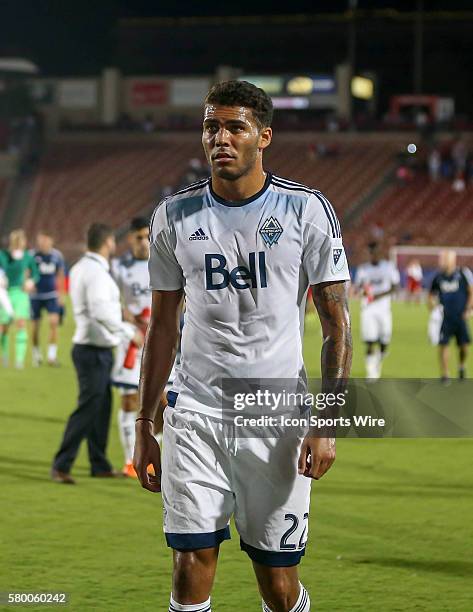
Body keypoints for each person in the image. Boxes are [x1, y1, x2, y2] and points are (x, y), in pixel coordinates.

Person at [134, 80, 352, 612]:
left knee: (277, 582)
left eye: (236, 127)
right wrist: (144, 427)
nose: (221, 138)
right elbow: (162, 328)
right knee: (190, 567)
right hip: (196, 415)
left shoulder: (305, 211)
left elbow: (336, 326)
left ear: (264, 136)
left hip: (275, 418)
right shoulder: (173, 217)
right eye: (212, 126)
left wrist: (325, 424)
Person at [51, 223, 143, 484]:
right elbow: (101, 311)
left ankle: (99, 463)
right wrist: (128, 331)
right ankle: (61, 465)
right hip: (93, 350)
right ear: (109, 243)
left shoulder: (81, 267)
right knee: (89, 407)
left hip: (92, 347)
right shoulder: (98, 273)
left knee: (102, 406)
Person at [110, 217, 167, 477]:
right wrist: (129, 317)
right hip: (131, 342)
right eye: (138, 237)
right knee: (129, 400)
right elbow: (111, 301)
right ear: (129, 239)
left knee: (166, 402)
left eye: (147, 236)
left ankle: (152, 450)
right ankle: (129, 461)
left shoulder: (163, 260)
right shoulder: (118, 267)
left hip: (163, 342)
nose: (144, 242)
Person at [354, 242, 400, 379]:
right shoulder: (363, 270)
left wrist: (378, 295)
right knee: (369, 341)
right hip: (368, 309)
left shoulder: (389, 267)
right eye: (371, 253)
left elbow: (395, 287)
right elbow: (358, 288)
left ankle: (379, 360)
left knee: (384, 340)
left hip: (384, 309)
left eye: (375, 252)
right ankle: (371, 372)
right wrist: (362, 292)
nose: (374, 255)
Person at [428, 250, 473, 382]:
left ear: (452, 260)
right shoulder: (438, 277)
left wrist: (468, 309)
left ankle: (461, 366)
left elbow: (471, 292)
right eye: (442, 259)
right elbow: (430, 295)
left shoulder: (463, 273)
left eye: (445, 259)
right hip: (445, 318)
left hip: (460, 317)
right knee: (443, 345)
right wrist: (433, 308)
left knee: (464, 347)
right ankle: (445, 374)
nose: (442, 261)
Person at [0, 229, 39, 368]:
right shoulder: (3, 255)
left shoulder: (27, 257)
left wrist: (31, 282)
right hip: (5, 294)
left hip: (20, 294)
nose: (19, 243)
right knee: (3, 327)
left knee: (21, 323)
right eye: (16, 240)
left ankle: (19, 361)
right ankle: (3, 356)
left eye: (21, 240)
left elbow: (36, 273)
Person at [30, 231, 66, 366]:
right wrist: (28, 282)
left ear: (51, 241)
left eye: (45, 240)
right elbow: (26, 272)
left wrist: (61, 294)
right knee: (35, 328)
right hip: (35, 296)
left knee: (54, 323)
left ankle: (51, 357)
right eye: (41, 240)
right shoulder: (32, 255)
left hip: (51, 295)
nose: (42, 243)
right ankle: (36, 354)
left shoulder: (57, 256)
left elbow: (61, 275)